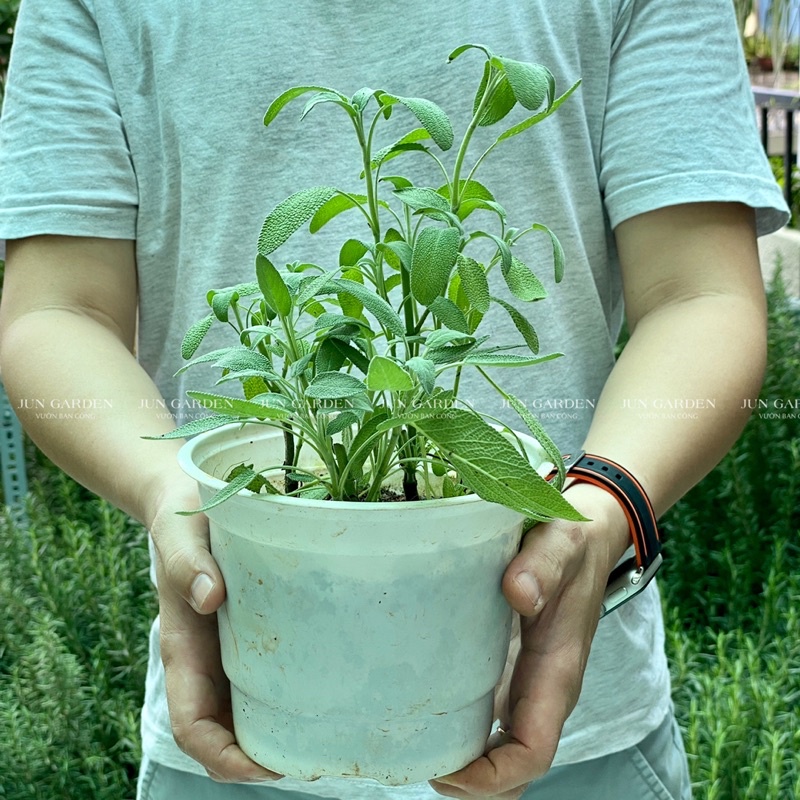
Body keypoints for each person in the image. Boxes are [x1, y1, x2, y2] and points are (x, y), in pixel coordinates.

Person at [0, 0, 788, 798]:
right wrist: (172, 493)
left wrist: (606, 504)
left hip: (573, 738)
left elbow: (699, 297)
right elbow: (55, 311)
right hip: (239, 720)